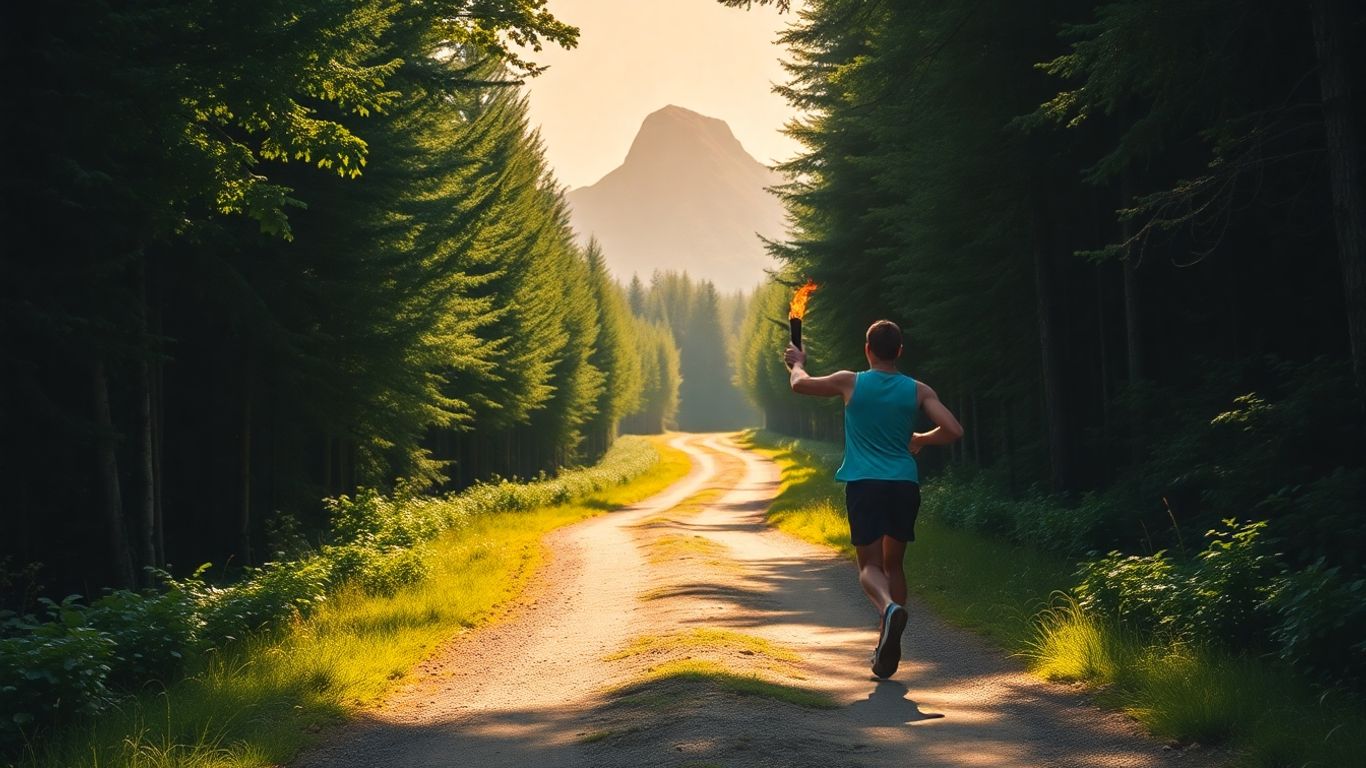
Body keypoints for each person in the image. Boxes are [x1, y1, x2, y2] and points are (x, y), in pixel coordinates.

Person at [784, 319, 963, 678]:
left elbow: (800, 386)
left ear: (867, 349)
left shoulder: (850, 381)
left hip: (865, 484)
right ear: (899, 351)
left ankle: (888, 609)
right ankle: (886, 641)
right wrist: (920, 439)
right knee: (894, 565)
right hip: (903, 485)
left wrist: (798, 363)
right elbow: (954, 430)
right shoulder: (918, 390)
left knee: (869, 567)